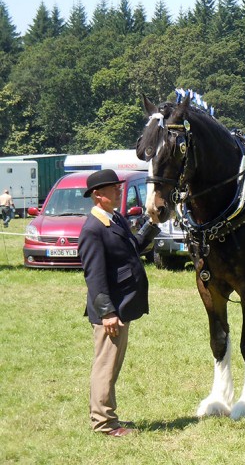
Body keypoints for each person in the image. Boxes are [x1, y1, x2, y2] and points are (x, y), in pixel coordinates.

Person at [78, 169, 159, 437]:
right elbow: (95, 277)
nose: (119, 190)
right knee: (106, 366)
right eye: (113, 188)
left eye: (117, 186)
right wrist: (107, 313)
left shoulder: (115, 219)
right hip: (111, 310)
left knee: (111, 366)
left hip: (121, 305)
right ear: (98, 195)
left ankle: (107, 416)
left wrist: (152, 223)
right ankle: (103, 422)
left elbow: (135, 246)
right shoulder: (92, 229)